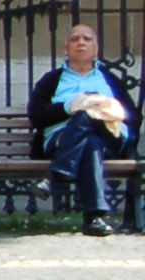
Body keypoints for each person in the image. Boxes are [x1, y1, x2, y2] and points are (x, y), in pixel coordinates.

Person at [30, 24, 136, 236]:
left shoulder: (110, 79)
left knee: (89, 115)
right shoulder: (51, 80)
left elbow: (133, 116)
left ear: (96, 49)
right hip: (60, 140)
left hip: (109, 137)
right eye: (75, 39)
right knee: (90, 143)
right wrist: (69, 107)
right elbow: (36, 115)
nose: (81, 42)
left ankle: (55, 176)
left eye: (87, 39)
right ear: (66, 48)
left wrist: (104, 109)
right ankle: (94, 218)